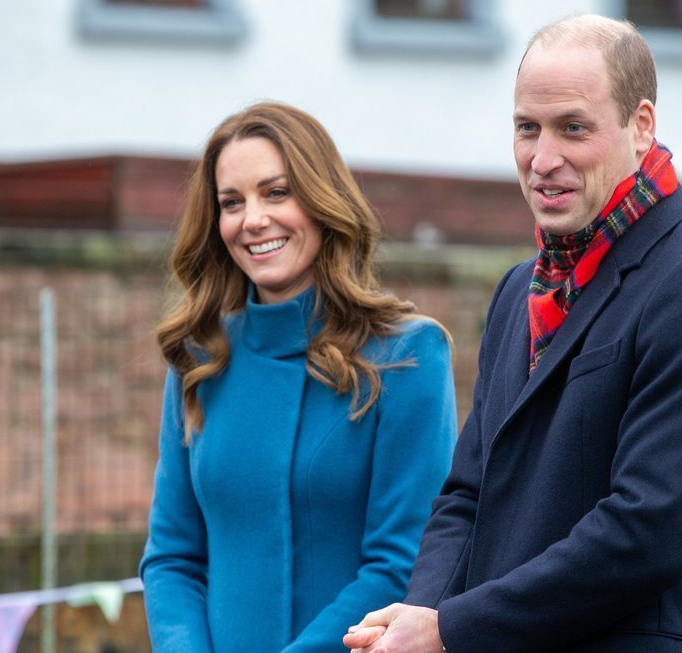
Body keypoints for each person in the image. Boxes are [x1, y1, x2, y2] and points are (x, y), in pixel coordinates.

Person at [344, 14, 682, 653]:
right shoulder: (522, 288)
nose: (542, 159)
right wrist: (418, 615)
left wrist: (450, 631)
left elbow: (648, 532)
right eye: (527, 128)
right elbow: (468, 494)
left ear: (642, 127)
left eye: (573, 128)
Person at [139, 101, 458, 652]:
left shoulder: (409, 355)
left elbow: (400, 560)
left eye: (276, 192)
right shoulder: (200, 359)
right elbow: (172, 557)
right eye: (231, 202)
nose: (253, 219)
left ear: (321, 200)